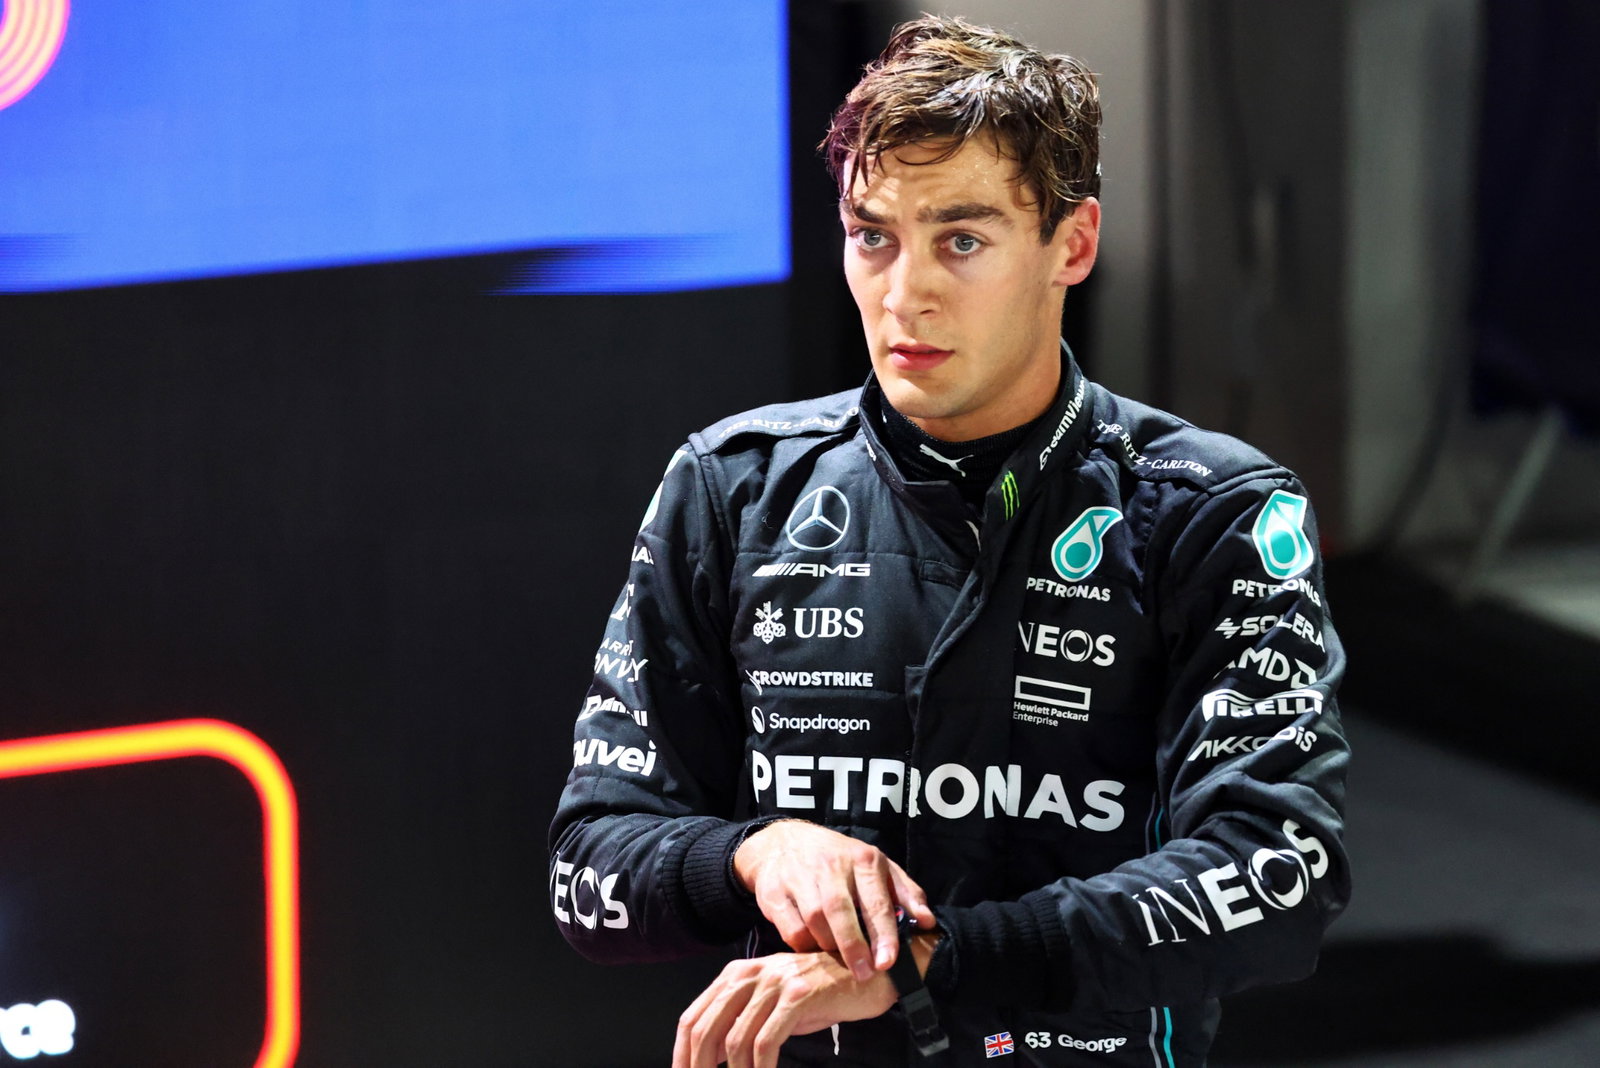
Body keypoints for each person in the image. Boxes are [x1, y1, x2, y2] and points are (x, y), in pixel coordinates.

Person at [549, 14, 1349, 1066]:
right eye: (873, 236)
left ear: (1072, 244)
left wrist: (927, 969)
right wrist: (754, 851)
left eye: (961, 241)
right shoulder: (732, 488)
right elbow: (588, 869)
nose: (904, 291)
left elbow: (1277, 877)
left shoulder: (1214, 508)